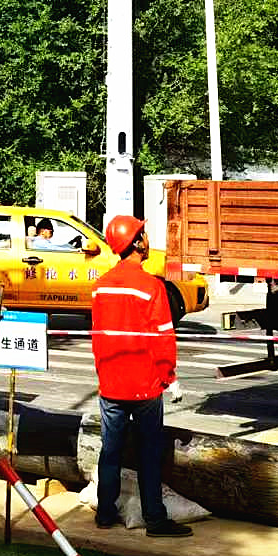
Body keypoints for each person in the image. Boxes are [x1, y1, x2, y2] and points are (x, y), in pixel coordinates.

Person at [90, 214, 190, 538]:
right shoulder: (151, 287)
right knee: (149, 454)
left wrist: (105, 375)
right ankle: (155, 520)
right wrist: (169, 377)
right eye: (143, 234)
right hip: (145, 387)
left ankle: (105, 513)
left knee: (111, 451)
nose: (147, 239)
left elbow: (98, 337)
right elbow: (162, 338)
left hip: (110, 385)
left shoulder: (100, 286)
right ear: (135, 243)